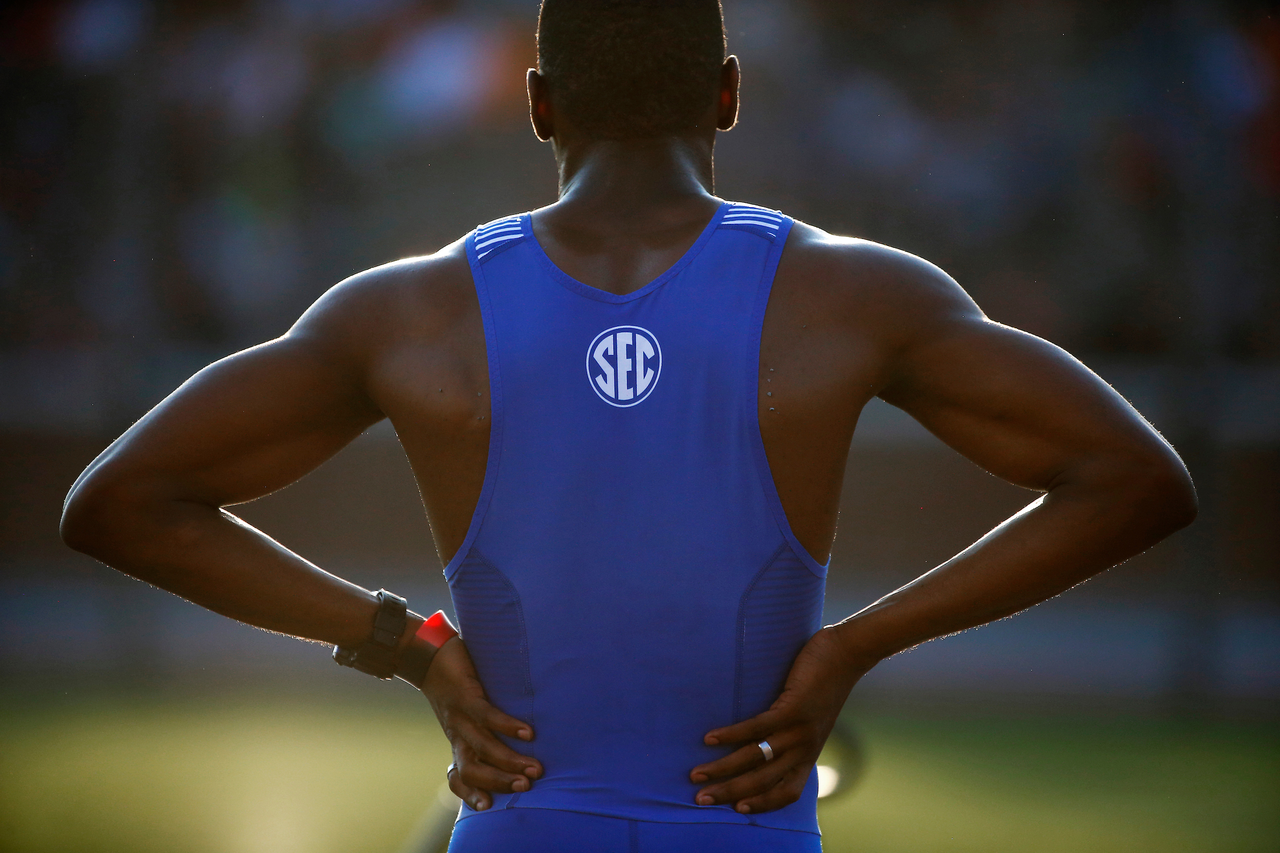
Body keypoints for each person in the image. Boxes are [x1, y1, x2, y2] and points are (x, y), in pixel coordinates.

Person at [60, 1, 1197, 851]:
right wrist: (853, 645)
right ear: (728, 95)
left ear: (539, 103)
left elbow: (118, 503)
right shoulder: (857, 298)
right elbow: (1135, 478)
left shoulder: (408, 312)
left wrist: (402, 642)